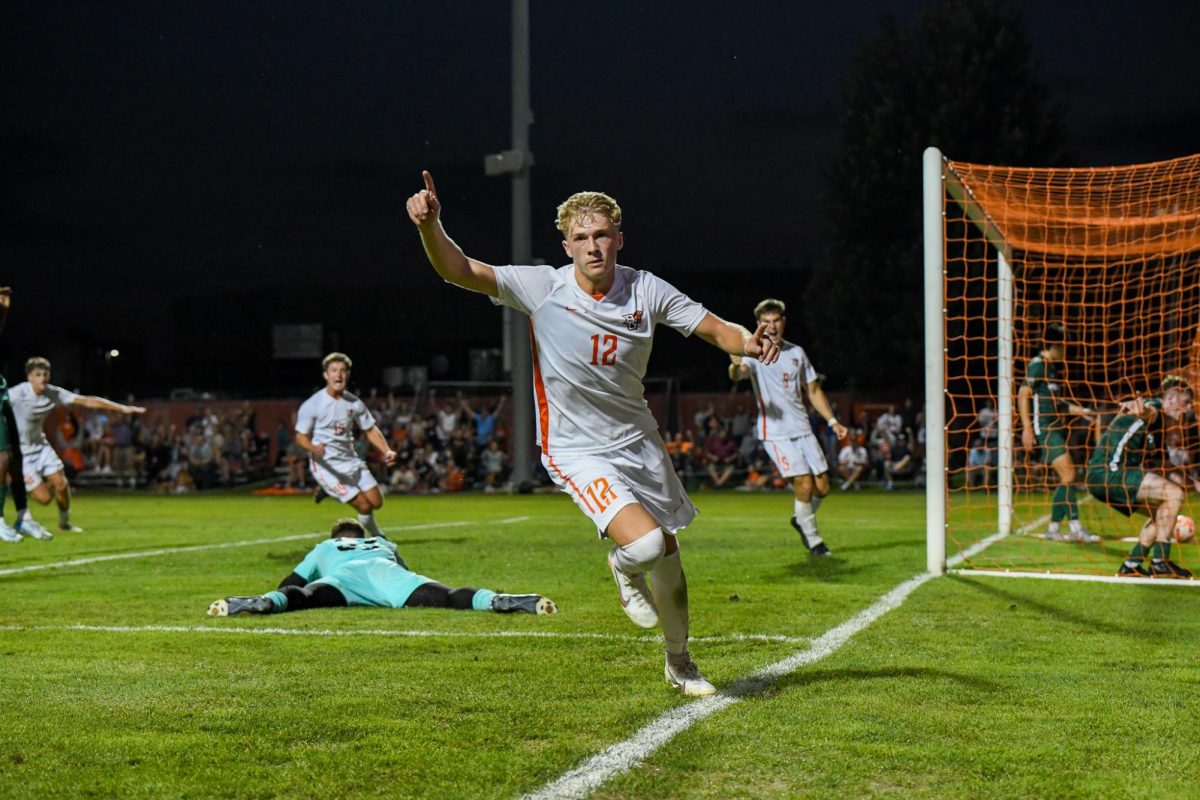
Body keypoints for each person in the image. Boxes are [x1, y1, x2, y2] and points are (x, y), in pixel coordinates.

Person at [406, 171, 779, 696]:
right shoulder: (543, 287)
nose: (592, 246)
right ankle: (622, 568)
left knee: (668, 552)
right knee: (647, 546)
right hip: (576, 449)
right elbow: (460, 270)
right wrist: (431, 227)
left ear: (619, 238)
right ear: (567, 246)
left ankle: (679, 660)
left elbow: (717, 330)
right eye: (581, 238)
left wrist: (750, 342)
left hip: (639, 442)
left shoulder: (645, 289)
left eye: (601, 234)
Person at [209, 518, 555, 617]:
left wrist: (282, 592)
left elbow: (292, 580)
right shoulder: (384, 543)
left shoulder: (327, 546)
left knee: (301, 595)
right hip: (388, 575)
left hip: (344, 582)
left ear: (337, 536)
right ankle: (498, 600)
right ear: (361, 534)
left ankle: (260, 603)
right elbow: (407, 570)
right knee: (449, 596)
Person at [729, 299, 848, 556]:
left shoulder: (797, 353)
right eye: (766, 322)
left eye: (775, 321)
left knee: (823, 487)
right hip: (774, 433)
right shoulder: (755, 352)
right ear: (758, 324)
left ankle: (800, 518)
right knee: (804, 483)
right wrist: (735, 365)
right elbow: (738, 373)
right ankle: (815, 541)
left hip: (803, 428)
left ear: (783, 322)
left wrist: (833, 421)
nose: (771, 327)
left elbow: (813, 390)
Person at [9, 357, 145, 535]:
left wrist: (122, 409)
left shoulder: (53, 393)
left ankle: (64, 522)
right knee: (44, 499)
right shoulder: (17, 393)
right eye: (38, 374)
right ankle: (22, 513)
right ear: (29, 378)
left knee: (61, 484)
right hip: (21, 453)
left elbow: (87, 401)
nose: (43, 378)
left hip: (41, 447)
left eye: (45, 374)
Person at [1087, 377, 1196, 578]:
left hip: (1111, 475)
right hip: (1109, 472)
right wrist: (1142, 407)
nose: (1189, 407)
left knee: (1163, 512)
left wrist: (1195, 484)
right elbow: (1148, 409)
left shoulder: (1160, 429)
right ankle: (1160, 562)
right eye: (1186, 401)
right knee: (1173, 494)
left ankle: (1132, 564)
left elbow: (1166, 467)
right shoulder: (1155, 410)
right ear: (1171, 398)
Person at [295, 353, 397, 538]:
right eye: (334, 370)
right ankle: (377, 536)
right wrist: (312, 448)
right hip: (326, 465)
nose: (338, 375)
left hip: (350, 460)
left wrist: (386, 450)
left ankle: (326, 491)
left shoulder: (354, 403)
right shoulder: (313, 404)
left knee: (377, 501)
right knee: (364, 505)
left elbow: (370, 429)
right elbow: (300, 436)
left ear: (348, 374)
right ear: (326, 375)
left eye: (342, 371)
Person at [1018, 323, 1099, 542]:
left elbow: (1058, 403)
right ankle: (1075, 528)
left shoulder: (1052, 369)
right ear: (1052, 344)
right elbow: (1023, 393)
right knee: (1070, 474)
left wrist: (1080, 410)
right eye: (1062, 345)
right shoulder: (1038, 365)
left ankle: (1054, 528)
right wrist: (1027, 428)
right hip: (1044, 430)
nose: (1065, 349)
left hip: (1055, 429)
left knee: (1066, 477)